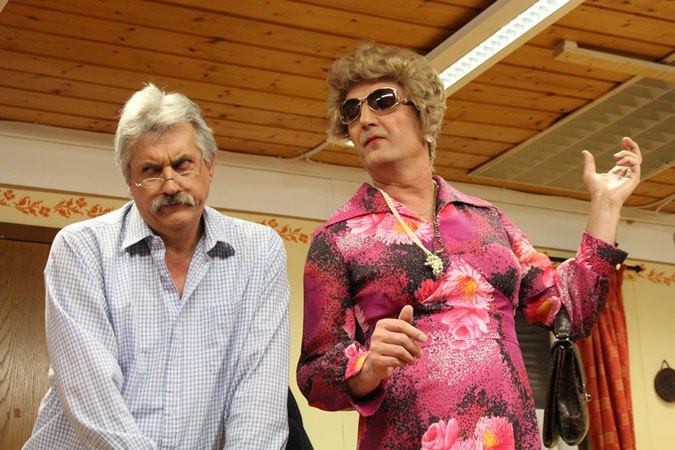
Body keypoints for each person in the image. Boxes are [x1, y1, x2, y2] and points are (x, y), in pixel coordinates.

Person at [296, 43, 641, 449]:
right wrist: (367, 367)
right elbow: (315, 376)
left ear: (424, 116)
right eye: (351, 112)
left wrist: (606, 206)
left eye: (382, 101)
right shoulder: (336, 238)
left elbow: (568, 309)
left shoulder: (487, 220)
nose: (365, 119)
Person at [24, 83, 291, 449]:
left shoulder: (260, 252)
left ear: (209, 165)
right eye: (151, 170)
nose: (170, 184)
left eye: (183, 165)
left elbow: (259, 400)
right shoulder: (81, 249)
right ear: (128, 180)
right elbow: (95, 405)